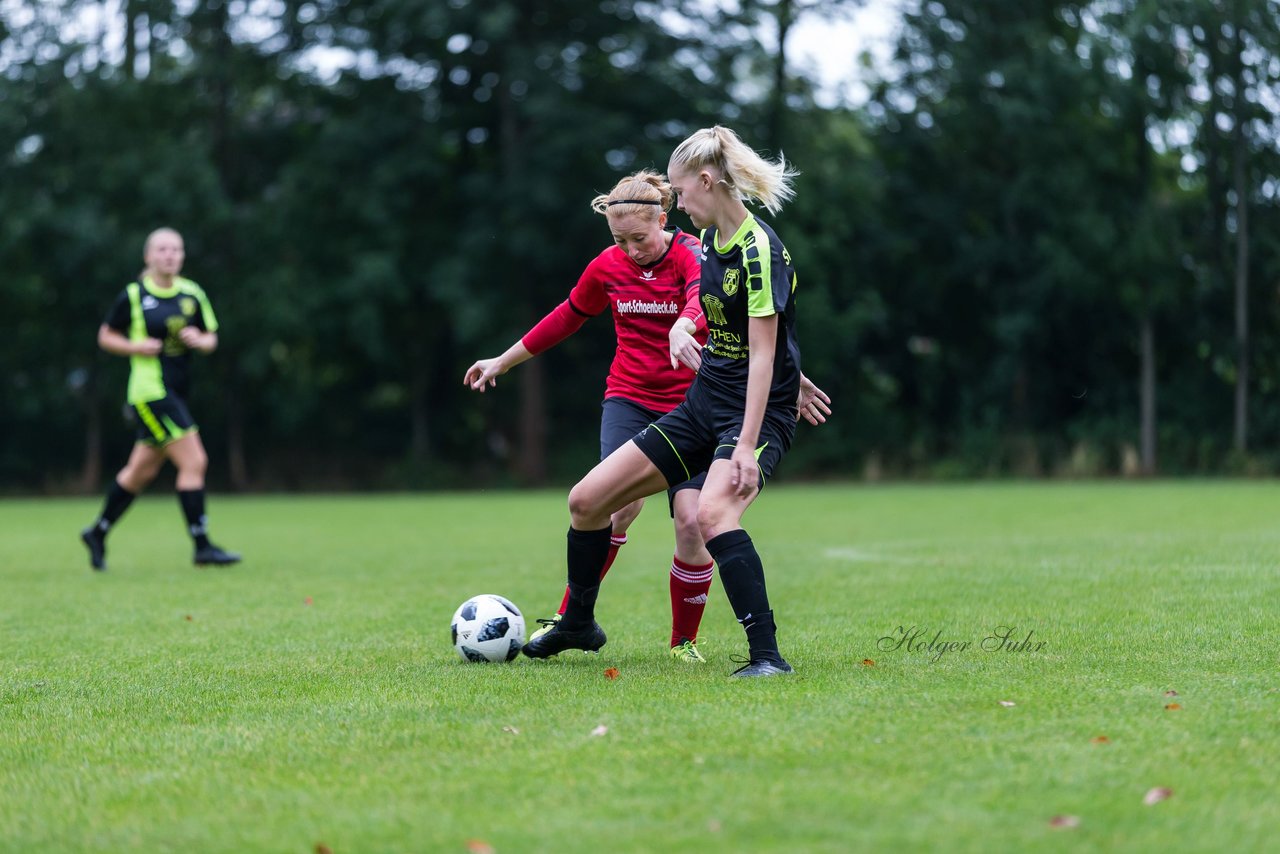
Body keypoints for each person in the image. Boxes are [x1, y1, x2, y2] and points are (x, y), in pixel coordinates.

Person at [523, 126, 811, 677]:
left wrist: (748, 444)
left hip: (754, 415)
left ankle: (767, 658)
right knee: (587, 501)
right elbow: (751, 329)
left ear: (706, 182)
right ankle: (578, 624)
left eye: (679, 193)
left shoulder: (759, 249)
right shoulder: (708, 244)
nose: (675, 204)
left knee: (710, 513)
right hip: (702, 405)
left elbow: (765, 347)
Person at [463, 170, 718, 663]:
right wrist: (502, 360)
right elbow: (566, 316)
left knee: (691, 522)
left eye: (639, 238)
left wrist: (686, 326)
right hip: (630, 398)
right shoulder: (608, 265)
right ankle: (572, 619)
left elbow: (703, 300)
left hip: (693, 405)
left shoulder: (691, 255)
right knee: (611, 505)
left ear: (663, 219)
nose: (631, 249)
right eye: (619, 240)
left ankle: (683, 643)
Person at [80, 227, 241, 571]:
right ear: (148, 257)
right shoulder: (135, 295)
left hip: (178, 391)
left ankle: (97, 532)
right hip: (150, 393)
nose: (169, 255)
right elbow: (105, 336)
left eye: (176, 250)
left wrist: (199, 339)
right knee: (194, 461)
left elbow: (212, 338)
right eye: (162, 250)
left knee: (139, 472)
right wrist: (134, 347)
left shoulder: (192, 293)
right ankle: (202, 546)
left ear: (182, 256)